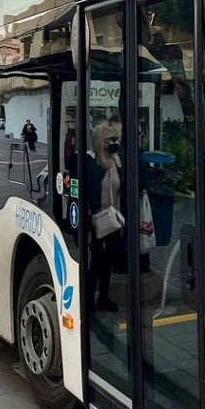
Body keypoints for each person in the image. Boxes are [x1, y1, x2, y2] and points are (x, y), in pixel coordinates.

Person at [84, 118, 123, 312]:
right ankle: (89, 297)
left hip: (113, 217)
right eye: (109, 140)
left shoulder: (116, 160)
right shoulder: (91, 162)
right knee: (97, 260)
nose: (114, 144)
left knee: (108, 260)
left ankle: (104, 297)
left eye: (115, 139)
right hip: (97, 219)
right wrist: (103, 164)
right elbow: (90, 188)